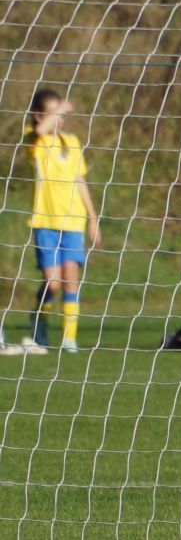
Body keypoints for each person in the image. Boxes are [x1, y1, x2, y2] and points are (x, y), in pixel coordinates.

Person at [23, 88, 101, 352]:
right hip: (45, 221)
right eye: (54, 113)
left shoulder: (72, 141)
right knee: (53, 283)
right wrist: (57, 110)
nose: (60, 119)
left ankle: (70, 338)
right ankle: (39, 317)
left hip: (73, 222)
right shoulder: (35, 140)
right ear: (38, 116)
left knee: (70, 278)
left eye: (62, 113)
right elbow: (41, 131)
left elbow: (80, 180)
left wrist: (92, 217)